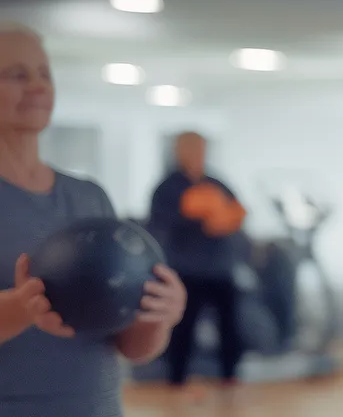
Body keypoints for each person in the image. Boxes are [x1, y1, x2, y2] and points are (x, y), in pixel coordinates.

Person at [0, 21, 188, 416]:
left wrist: (159, 317)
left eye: (44, 74)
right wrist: (23, 307)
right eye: (17, 75)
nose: (38, 86)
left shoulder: (88, 197)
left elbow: (130, 347)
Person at [146, 131, 249, 392]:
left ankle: (230, 376)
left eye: (201, 148)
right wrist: (195, 215)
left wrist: (223, 218)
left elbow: (237, 212)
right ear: (179, 150)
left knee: (229, 323)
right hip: (186, 270)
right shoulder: (168, 187)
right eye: (190, 148)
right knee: (183, 325)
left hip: (220, 268)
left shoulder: (216, 183)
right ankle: (177, 379)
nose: (197, 153)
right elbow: (159, 224)